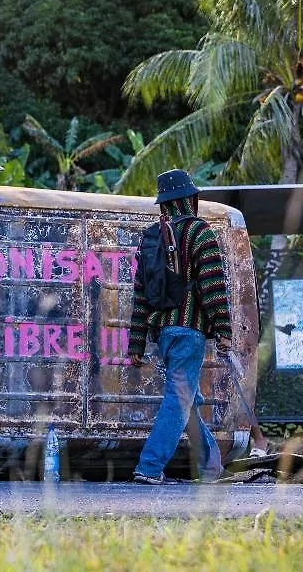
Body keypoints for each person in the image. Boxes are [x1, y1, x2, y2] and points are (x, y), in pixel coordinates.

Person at [129, 169, 232, 485]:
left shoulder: (151, 238)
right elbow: (213, 286)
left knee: (185, 399)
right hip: (189, 333)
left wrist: (136, 344)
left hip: (163, 335)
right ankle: (148, 467)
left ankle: (211, 466)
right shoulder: (201, 233)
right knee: (179, 398)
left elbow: (141, 295)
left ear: (164, 204)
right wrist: (224, 331)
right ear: (191, 199)